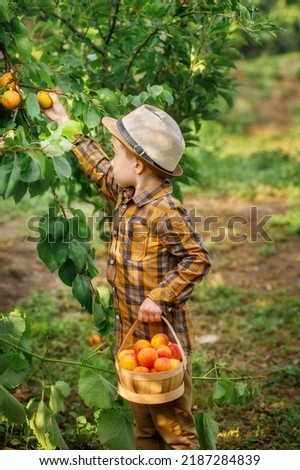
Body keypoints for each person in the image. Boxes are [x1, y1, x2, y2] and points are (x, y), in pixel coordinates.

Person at [43, 95, 211, 450]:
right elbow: (98, 168)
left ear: (136, 164)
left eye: (117, 154)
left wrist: (159, 296)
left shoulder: (166, 211)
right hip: (131, 339)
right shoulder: (126, 194)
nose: (111, 162)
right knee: (145, 427)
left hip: (164, 344)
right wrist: (63, 121)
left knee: (174, 430)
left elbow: (197, 258)